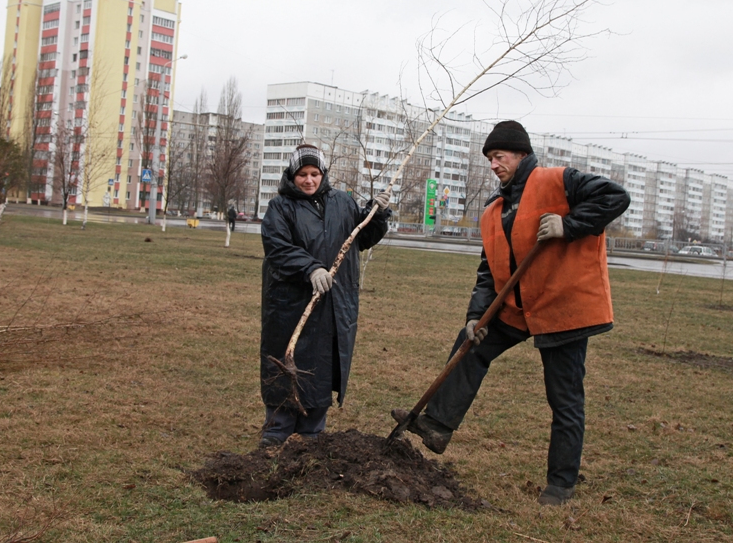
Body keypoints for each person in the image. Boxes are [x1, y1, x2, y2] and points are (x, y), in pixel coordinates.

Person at [391, 120, 630, 506]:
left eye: (499, 156)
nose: (493, 164)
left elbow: (615, 198)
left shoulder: (559, 181)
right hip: (517, 307)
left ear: (521, 154)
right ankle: (436, 426)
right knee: (471, 344)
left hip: (563, 308)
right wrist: (476, 315)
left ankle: (561, 484)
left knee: (564, 398)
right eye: (489, 158)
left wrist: (569, 225)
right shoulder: (494, 210)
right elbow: (489, 269)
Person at [260, 144, 391, 447]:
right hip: (290, 304)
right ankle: (277, 430)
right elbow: (277, 247)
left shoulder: (343, 203)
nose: (309, 180)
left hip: (334, 303)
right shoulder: (280, 207)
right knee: (287, 359)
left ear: (323, 174)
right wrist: (311, 268)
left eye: (314, 173)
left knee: (323, 365)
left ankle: (311, 432)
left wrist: (378, 213)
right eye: (302, 174)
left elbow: (363, 238)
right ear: (292, 176)